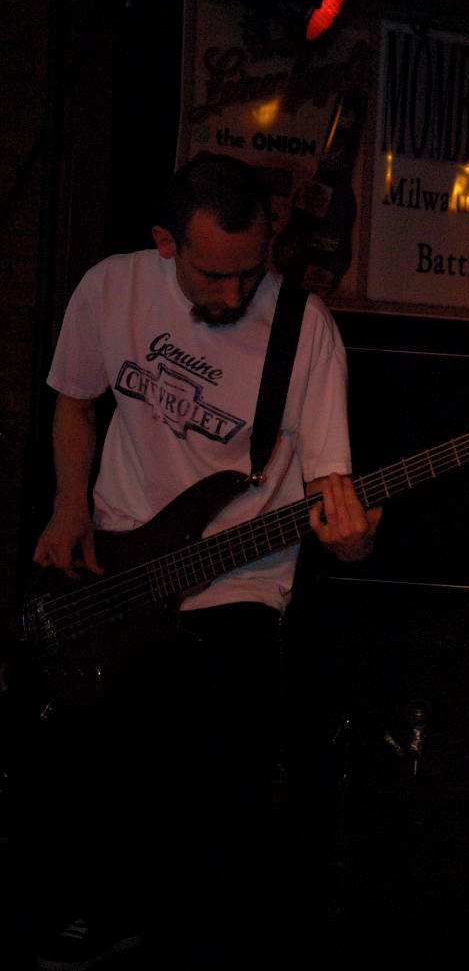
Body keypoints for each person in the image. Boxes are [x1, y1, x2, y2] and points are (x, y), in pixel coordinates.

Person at [29, 152, 381, 970]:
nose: (233, 295)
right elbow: (75, 401)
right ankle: (107, 912)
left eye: (250, 273)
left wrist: (354, 539)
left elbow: (329, 483)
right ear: (166, 243)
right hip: (118, 558)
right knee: (104, 766)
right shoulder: (109, 287)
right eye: (214, 276)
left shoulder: (304, 330)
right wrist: (71, 502)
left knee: (219, 783)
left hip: (236, 579)